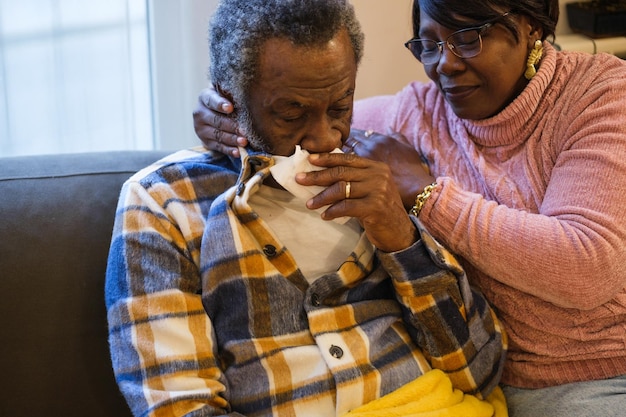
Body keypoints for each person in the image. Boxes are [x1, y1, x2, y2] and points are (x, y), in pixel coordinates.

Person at [192, 0, 626, 416]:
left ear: (532, 24)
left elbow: (588, 264)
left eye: (470, 37)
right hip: (478, 382)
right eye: (429, 44)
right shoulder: (417, 114)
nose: (446, 64)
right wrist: (227, 114)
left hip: (596, 376)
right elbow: (307, 112)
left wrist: (426, 194)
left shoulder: (600, 93)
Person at [106, 1, 508, 416]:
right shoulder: (162, 201)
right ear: (226, 97)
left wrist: (401, 239)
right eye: (291, 112)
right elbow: (178, 405)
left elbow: (480, 370)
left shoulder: (379, 170)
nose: (321, 138)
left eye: (340, 108)